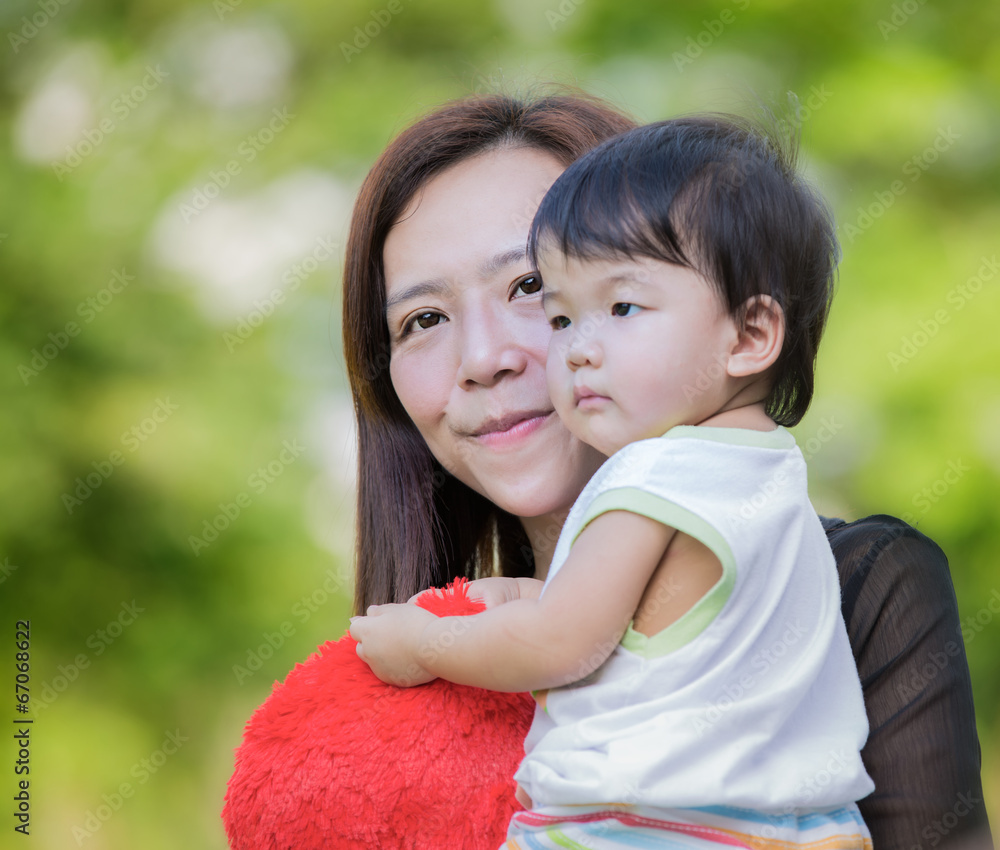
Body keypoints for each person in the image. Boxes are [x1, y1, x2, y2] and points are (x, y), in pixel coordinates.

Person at [232, 90, 990, 850]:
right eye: (423, 319)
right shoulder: (397, 697)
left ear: (744, 325)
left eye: (530, 286)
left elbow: (566, 638)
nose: (484, 359)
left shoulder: (863, 590)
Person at [350, 114, 877, 847]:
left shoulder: (656, 471)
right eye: (562, 315)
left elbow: (565, 642)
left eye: (620, 306)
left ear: (752, 333)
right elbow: (658, 626)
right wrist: (525, 596)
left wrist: (421, 645)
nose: (579, 351)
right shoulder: (767, 470)